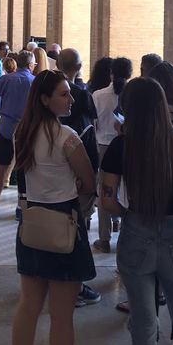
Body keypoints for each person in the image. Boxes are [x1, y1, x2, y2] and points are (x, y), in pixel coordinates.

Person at [101, 78, 173, 345]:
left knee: (144, 322)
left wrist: (128, 216)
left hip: (137, 233)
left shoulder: (122, 146)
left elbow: (107, 201)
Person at [12, 70, 96, 345]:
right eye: (64, 94)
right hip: (65, 225)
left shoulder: (22, 133)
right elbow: (89, 182)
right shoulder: (67, 137)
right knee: (61, 316)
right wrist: (73, 182)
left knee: (28, 307)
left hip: (32, 223)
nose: (71, 99)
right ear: (45, 99)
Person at [57, 48, 100, 307]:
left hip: (54, 185)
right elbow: (91, 138)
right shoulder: (82, 97)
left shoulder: (43, 127)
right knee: (77, 232)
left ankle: (56, 281)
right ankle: (74, 286)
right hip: (77, 177)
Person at [0, 50, 36, 219]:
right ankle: (20, 208)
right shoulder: (35, 82)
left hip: (6, 129)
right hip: (26, 132)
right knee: (24, 169)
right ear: (30, 65)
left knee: (1, 167)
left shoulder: (7, 79)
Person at [92, 57, 133, 252]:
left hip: (104, 146)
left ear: (111, 73)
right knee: (128, 189)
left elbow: (94, 124)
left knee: (105, 190)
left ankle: (104, 238)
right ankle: (125, 231)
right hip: (128, 146)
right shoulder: (133, 94)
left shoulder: (98, 95)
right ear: (130, 74)